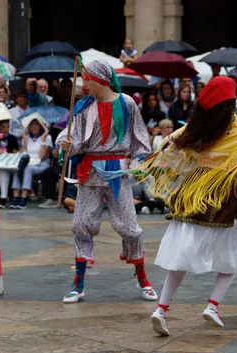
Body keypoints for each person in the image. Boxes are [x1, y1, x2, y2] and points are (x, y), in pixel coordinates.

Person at [133, 76, 237, 336]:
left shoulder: (196, 125)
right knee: (232, 255)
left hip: (192, 193)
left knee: (181, 255)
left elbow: (168, 148)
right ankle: (212, 306)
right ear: (232, 102)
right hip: (225, 195)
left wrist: (180, 171)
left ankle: (161, 310)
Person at [58, 59, 157, 304]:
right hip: (89, 172)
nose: (84, 83)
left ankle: (143, 279)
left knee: (129, 226)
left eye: (87, 78)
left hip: (117, 173)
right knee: (81, 223)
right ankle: (78, 283)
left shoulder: (127, 104)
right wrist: (67, 146)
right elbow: (74, 141)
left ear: (100, 79)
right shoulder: (82, 107)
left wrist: (135, 167)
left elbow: (141, 142)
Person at [9, 114, 52, 209]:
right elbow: (23, 155)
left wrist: (44, 138)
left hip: (41, 165)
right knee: (18, 168)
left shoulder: (47, 137)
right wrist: (24, 140)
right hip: (28, 163)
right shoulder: (27, 137)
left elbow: (41, 156)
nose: (34, 126)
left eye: (36, 124)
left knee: (27, 169)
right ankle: (16, 197)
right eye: (32, 124)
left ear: (41, 126)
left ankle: (24, 197)